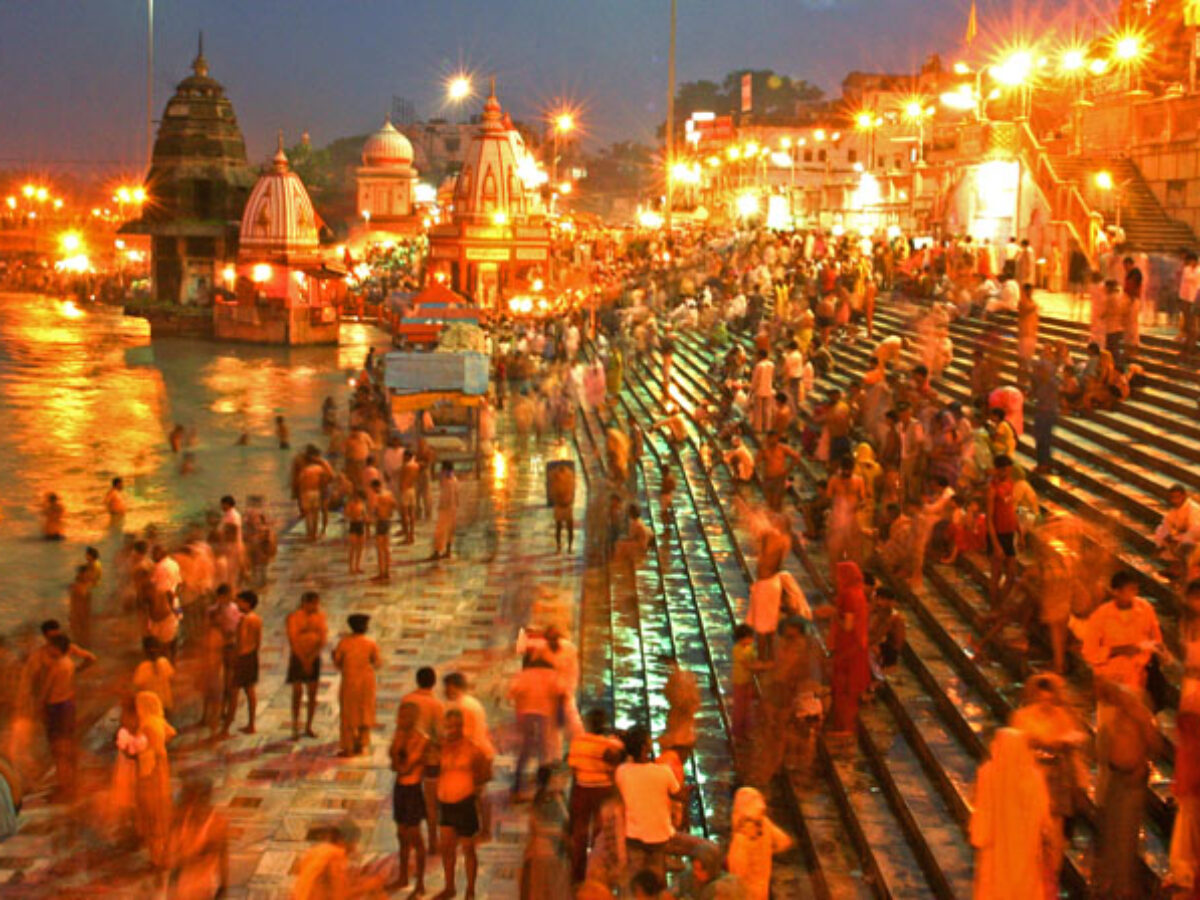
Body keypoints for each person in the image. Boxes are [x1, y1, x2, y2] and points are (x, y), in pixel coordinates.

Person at [1010, 674, 1087, 898]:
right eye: (1041, 699)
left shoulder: (1063, 717)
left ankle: (1049, 884)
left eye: (1049, 699)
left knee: (1055, 838)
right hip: (1032, 783)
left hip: (1058, 785)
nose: (1045, 703)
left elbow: (1075, 748)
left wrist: (1080, 782)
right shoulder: (1022, 717)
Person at [1094, 678, 1162, 900]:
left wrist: (1144, 766)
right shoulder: (1118, 710)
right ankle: (1111, 884)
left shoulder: (1138, 713)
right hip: (1115, 777)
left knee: (1125, 836)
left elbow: (1155, 743)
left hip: (1131, 780)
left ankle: (1124, 889)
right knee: (1112, 833)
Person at [969, 727, 1052, 900]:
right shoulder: (1035, 778)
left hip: (995, 866)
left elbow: (980, 833)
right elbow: (1044, 820)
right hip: (1026, 863)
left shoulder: (989, 774)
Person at [435, 708, 492, 900]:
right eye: (448, 725)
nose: (452, 729)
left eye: (456, 725)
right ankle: (449, 887)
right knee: (447, 849)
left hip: (465, 804)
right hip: (445, 804)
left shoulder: (473, 750)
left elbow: (484, 786)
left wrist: (486, 824)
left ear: (462, 726)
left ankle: (470, 891)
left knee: (468, 849)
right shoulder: (439, 747)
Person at [566, 708, 624, 883]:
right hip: (604, 792)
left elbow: (573, 768)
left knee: (579, 833)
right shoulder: (613, 745)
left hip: (582, 790)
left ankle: (577, 875)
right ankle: (598, 873)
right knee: (600, 835)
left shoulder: (578, 743)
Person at [1082, 570, 1163, 693]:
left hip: (1137, 677)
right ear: (1116, 591)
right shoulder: (1100, 616)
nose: (1135, 594)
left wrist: (1148, 650)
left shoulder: (1145, 609)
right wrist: (1117, 650)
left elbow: (1156, 638)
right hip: (1110, 679)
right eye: (1131, 589)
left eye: (1136, 589)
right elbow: (1089, 653)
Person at [615, 726, 678, 882]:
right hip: (659, 836)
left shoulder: (622, 772)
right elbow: (678, 793)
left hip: (633, 836)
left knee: (636, 880)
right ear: (645, 748)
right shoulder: (663, 772)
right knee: (657, 879)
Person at [40, 632, 93, 800]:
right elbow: (92, 658)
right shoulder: (69, 663)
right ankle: (68, 785)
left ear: (56, 649)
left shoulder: (58, 666)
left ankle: (65, 789)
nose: (48, 649)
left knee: (59, 749)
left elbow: (46, 691)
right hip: (68, 706)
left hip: (57, 708)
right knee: (67, 747)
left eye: (51, 647)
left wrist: (39, 708)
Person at [508, 654, 566, 799]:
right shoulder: (553, 675)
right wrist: (560, 715)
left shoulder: (524, 675)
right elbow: (561, 693)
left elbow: (512, 692)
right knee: (544, 752)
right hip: (545, 716)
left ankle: (517, 785)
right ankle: (542, 787)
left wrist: (520, 704)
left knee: (525, 751)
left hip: (526, 715)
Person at [403, 667, 445, 855]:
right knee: (430, 803)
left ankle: (410, 841)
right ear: (433, 682)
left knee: (409, 801)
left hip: (409, 758)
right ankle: (433, 842)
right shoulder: (436, 705)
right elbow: (440, 734)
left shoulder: (407, 700)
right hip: (430, 758)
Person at [390, 701, 430, 897]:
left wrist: (399, 756)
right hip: (400, 788)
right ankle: (403, 876)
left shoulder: (421, 739)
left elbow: (406, 767)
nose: (400, 720)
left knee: (415, 837)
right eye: (400, 715)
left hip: (413, 790)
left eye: (404, 716)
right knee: (401, 835)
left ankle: (420, 883)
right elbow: (394, 762)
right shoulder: (398, 734)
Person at [726, 786, 792, 900]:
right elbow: (784, 842)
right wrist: (767, 852)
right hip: (763, 889)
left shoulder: (740, 841)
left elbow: (736, 875)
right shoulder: (765, 823)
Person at [135, 690, 177, 867]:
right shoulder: (159, 720)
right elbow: (172, 733)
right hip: (162, 770)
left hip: (150, 772)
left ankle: (156, 857)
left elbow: (143, 748)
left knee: (152, 813)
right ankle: (166, 853)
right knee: (162, 810)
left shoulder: (146, 724)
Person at [828, 561, 870, 737]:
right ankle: (842, 725)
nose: (836, 578)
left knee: (844, 688)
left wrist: (832, 614)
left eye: (839, 575)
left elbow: (847, 625)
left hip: (848, 647)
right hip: (857, 646)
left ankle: (844, 728)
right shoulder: (859, 592)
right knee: (848, 689)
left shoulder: (848, 595)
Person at [519, 765, 572, 899]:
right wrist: (561, 834)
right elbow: (537, 826)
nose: (566, 780)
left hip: (555, 853)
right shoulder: (545, 799)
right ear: (552, 779)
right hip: (545, 854)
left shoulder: (559, 796)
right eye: (562, 777)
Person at [332, 614, 380, 757]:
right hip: (366, 682)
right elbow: (377, 662)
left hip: (350, 682)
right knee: (365, 712)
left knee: (348, 713)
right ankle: (363, 744)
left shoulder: (344, 643)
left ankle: (348, 747)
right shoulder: (370, 644)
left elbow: (337, 662)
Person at [287, 591, 328, 740]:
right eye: (314, 603)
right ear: (306, 603)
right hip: (298, 658)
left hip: (314, 657)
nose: (317, 606)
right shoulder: (294, 617)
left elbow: (323, 639)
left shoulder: (320, 617)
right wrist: (304, 660)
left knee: (312, 693)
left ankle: (308, 726)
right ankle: (295, 726)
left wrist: (311, 658)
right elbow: (293, 640)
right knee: (297, 693)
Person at [221, 590, 261, 736]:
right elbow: (258, 641)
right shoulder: (256, 619)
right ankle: (251, 725)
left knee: (233, 693)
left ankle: (225, 729)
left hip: (242, 658)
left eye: (239, 601)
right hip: (251, 656)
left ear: (247, 603)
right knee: (250, 691)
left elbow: (242, 642)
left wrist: (234, 657)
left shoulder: (245, 620)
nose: (237, 604)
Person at [986, 455, 1020, 608]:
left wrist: (1018, 530)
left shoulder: (1011, 484)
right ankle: (994, 605)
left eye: (1008, 469)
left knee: (1012, 574)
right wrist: (996, 544)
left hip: (1009, 533)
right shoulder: (992, 489)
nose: (1005, 472)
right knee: (996, 574)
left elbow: (1011, 509)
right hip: (997, 534)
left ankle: (1001, 603)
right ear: (997, 470)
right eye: (1002, 469)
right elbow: (989, 518)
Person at [133, 637, 175, 718]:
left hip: (151, 707)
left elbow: (137, 686)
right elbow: (171, 678)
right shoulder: (164, 662)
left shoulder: (143, 667)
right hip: (165, 704)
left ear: (145, 651)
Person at [369, 478, 396, 581]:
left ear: (375, 487)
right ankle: (387, 572)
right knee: (386, 548)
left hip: (381, 522)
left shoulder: (377, 497)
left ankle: (381, 572)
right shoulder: (389, 494)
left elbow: (375, 511)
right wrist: (389, 512)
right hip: (387, 521)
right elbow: (394, 505)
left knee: (380, 549)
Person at [431, 462, 459, 561]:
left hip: (445, 508)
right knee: (450, 531)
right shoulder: (454, 479)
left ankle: (438, 552)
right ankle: (447, 551)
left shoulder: (445, 480)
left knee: (441, 531)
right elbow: (457, 495)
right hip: (453, 508)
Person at [548, 460, 577, 552]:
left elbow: (572, 487)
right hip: (561, 503)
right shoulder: (554, 475)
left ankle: (568, 546)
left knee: (568, 526)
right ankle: (560, 545)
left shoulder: (569, 474)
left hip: (566, 503)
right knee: (559, 526)